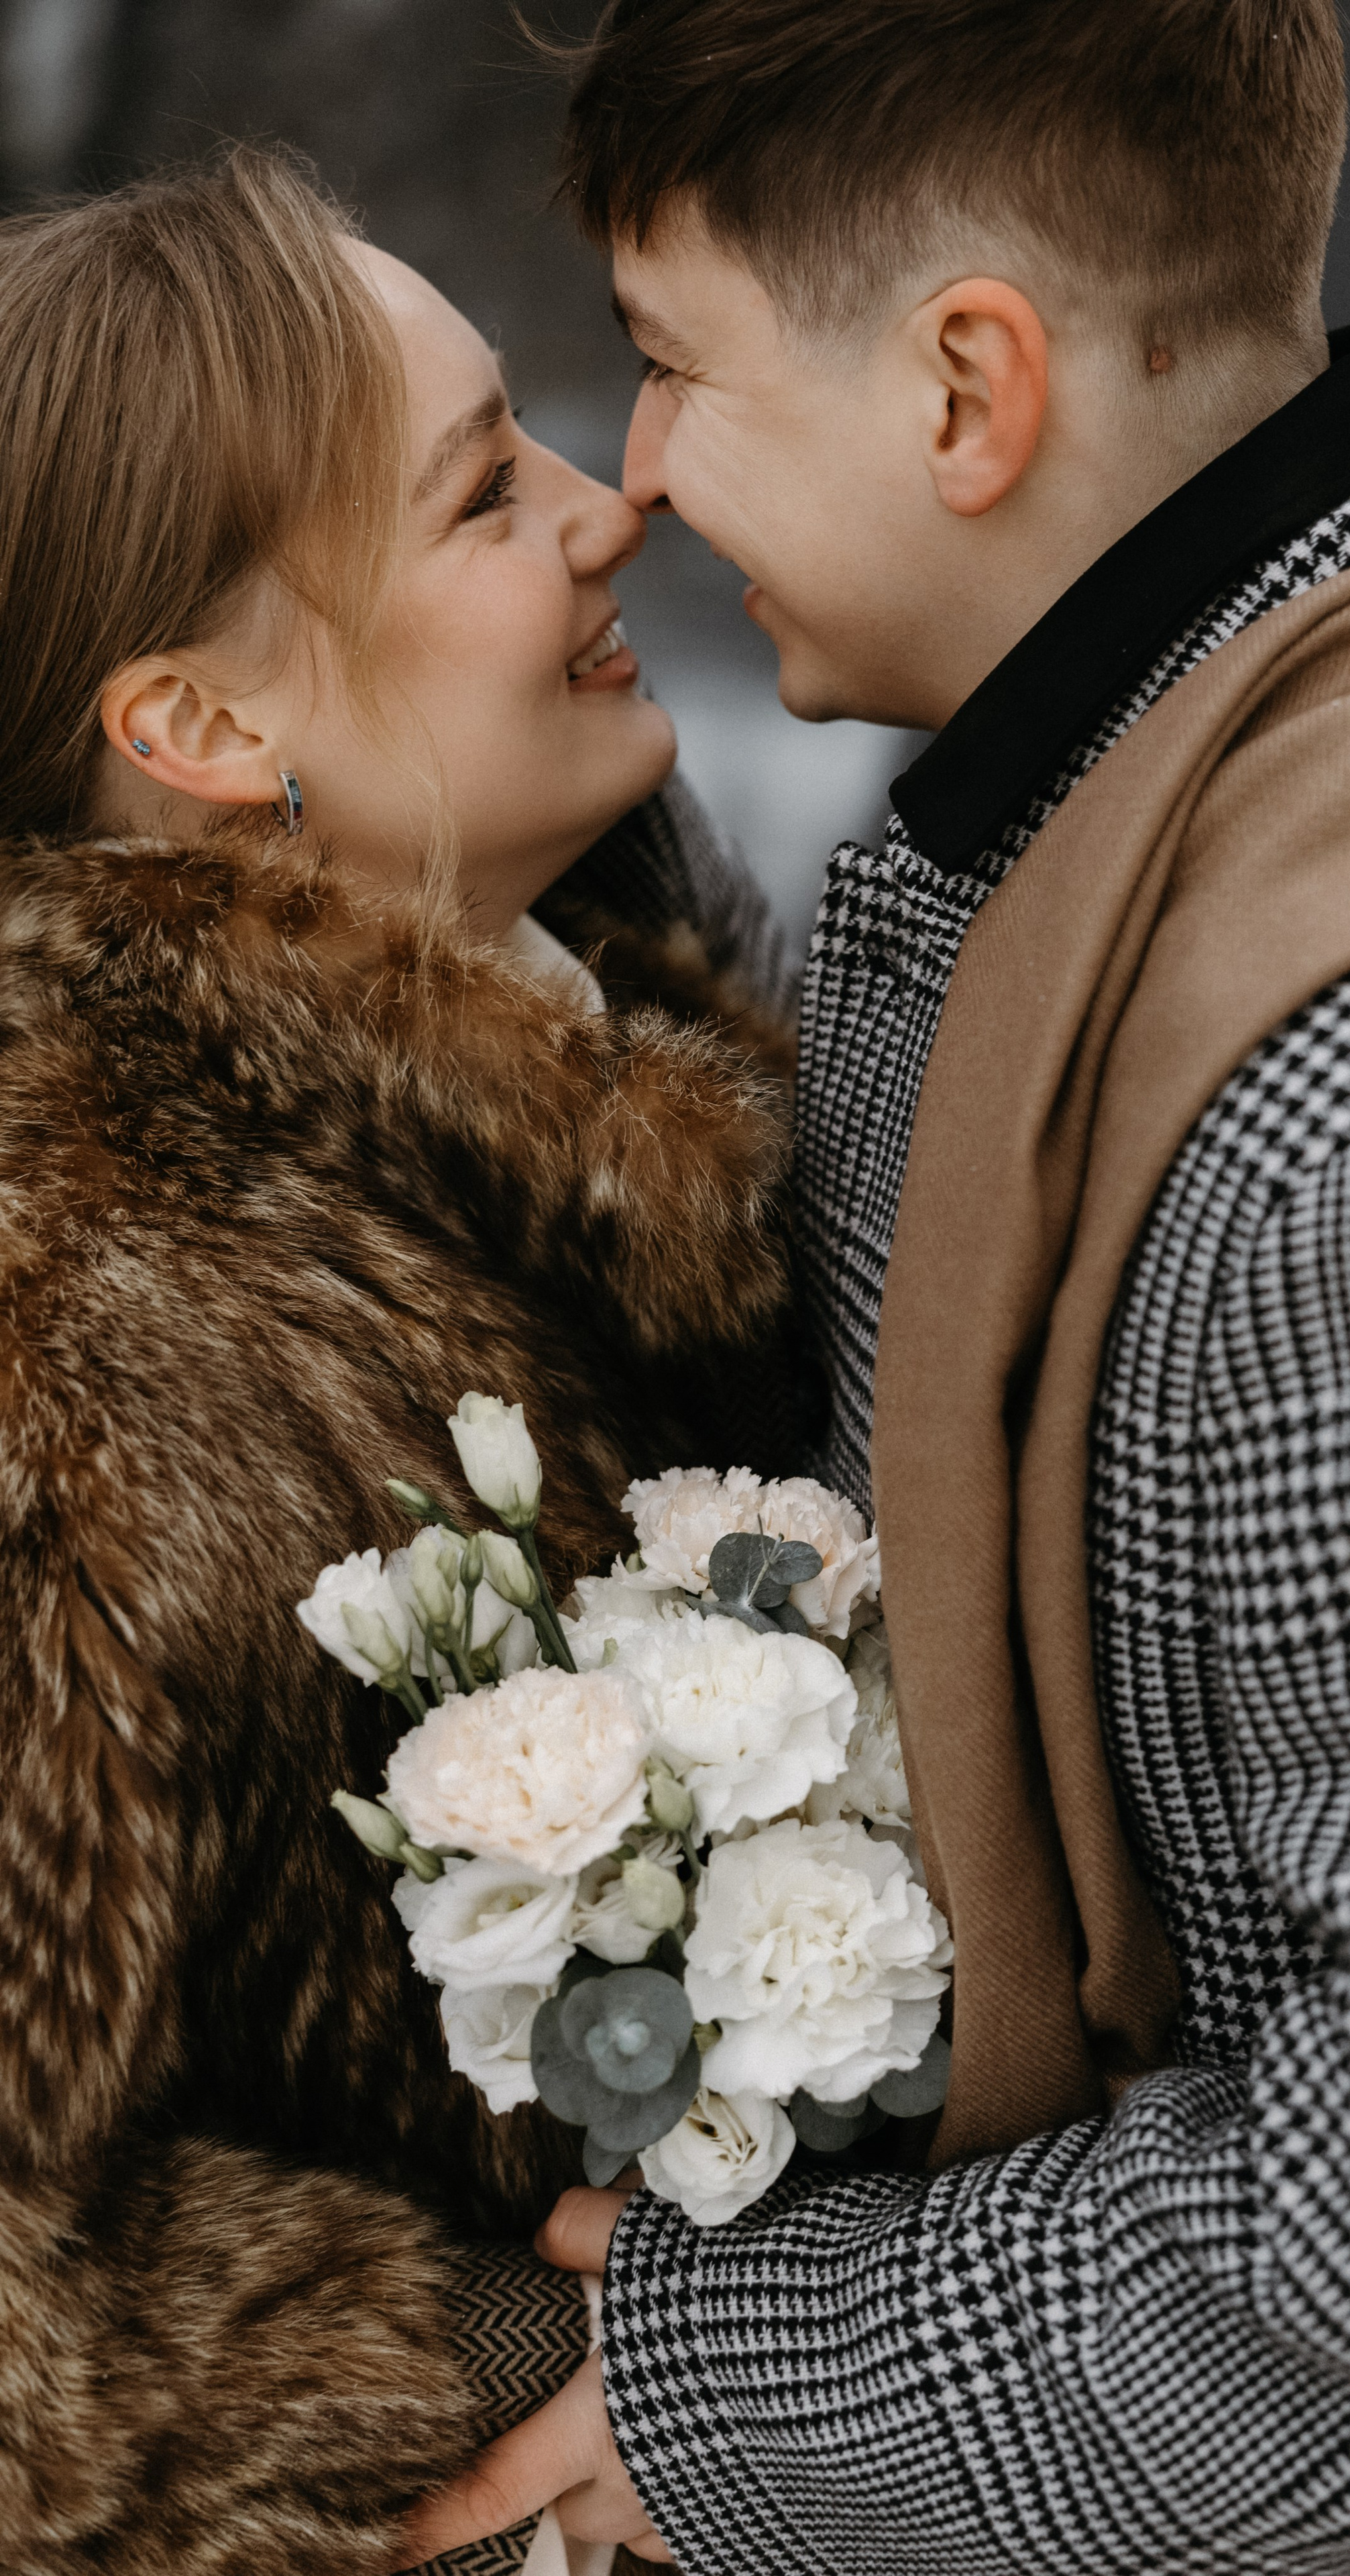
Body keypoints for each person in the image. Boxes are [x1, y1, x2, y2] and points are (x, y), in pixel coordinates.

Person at [408, 2, 1350, 2569]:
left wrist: (764, 2408)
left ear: (967, 390)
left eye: (674, 367)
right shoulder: (1227, 765)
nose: (640, 476)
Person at [0, 146, 793, 2575]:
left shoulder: (684, 1132)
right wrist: (537, 2388)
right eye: (480, 495)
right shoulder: (66, 1334)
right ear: (198, 722)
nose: (612, 503)